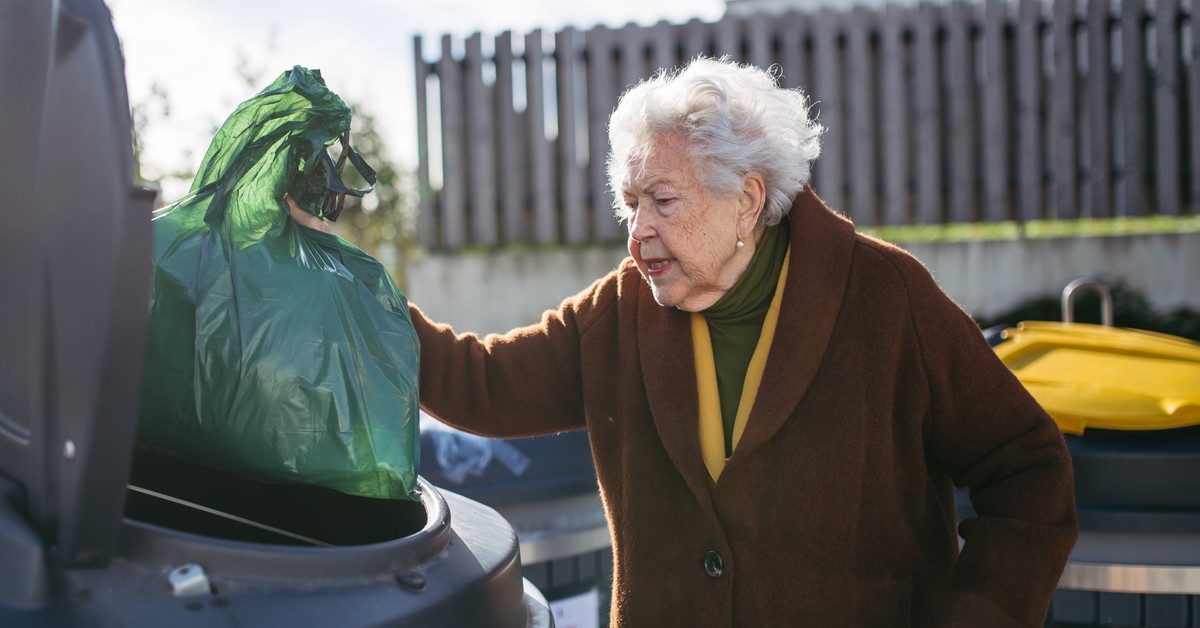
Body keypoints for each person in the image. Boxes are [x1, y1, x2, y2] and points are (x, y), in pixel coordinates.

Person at [293, 56, 1078, 627]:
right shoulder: (618, 315)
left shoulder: (887, 298)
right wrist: (338, 273)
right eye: (629, 204)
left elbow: (1028, 471)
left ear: (747, 200)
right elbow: (479, 382)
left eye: (662, 200)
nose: (638, 234)